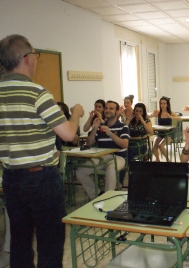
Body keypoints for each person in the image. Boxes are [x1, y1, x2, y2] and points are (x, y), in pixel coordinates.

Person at [0, 34, 84, 267]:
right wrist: (75, 113)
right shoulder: (37, 93)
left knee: (20, 240)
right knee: (50, 241)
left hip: (10, 178)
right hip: (41, 178)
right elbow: (68, 134)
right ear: (26, 58)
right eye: (35, 56)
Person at [76, 100, 130, 199]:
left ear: (117, 111)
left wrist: (110, 133)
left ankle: (108, 198)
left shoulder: (123, 126)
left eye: (111, 108)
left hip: (118, 157)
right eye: (106, 108)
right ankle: (97, 195)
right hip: (102, 157)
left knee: (111, 169)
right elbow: (89, 143)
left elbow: (125, 144)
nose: (107, 110)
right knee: (80, 171)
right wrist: (95, 128)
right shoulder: (100, 126)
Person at [119, 103, 154, 184]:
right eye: (136, 111)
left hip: (141, 144)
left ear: (143, 112)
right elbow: (123, 130)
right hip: (130, 143)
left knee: (128, 153)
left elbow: (151, 132)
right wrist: (129, 120)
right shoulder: (131, 120)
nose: (138, 113)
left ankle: (124, 178)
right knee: (123, 152)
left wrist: (142, 121)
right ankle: (123, 177)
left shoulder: (146, 120)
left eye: (140, 111)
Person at [152, 96, 181, 162]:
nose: (162, 105)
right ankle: (158, 160)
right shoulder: (158, 113)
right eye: (161, 103)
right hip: (160, 133)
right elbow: (147, 116)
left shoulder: (170, 112)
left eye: (164, 103)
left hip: (169, 133)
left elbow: (180, 119)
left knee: (161, 146)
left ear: (167, 104)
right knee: (154, 148)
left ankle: (169, 161)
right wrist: (152, 115)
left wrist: (170, 117)